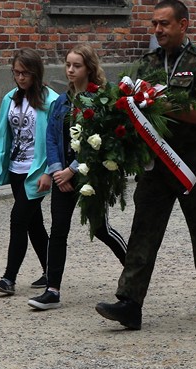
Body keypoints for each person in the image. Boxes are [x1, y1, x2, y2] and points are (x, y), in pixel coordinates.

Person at [95, 0, 196, 330]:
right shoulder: (148, 62)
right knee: (143, 230)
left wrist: (165, 105)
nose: (157, 30)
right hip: (155, 164)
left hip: (193, 164)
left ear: (183, 25)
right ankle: (129, 303)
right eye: (154, 24)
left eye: (164, 24)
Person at [27, 45, 127, 311]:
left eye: (77, 66)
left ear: (89, 68)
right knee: (58, 231)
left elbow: (100, 141)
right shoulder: (61, 102)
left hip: (89, 175)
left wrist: (72, 169)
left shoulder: (100, 100)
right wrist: (57, 171)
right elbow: (51, 138)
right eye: (68, 65)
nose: (70, 70)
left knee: (101, 229)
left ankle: (134, 271)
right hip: (62, 177)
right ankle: (52, 290)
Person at [0, 48, 59, 296]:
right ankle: (51, 271)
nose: (20, 77)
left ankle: (9, 279)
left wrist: (49, 171)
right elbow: (1, 135)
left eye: (25, 73)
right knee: (33, 224)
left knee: (18, 219)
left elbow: (55, 140)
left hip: (36, 171)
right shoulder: (10, 98)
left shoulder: (51, 101)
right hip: (15, 169)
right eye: (16, 72)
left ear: (36, 73)